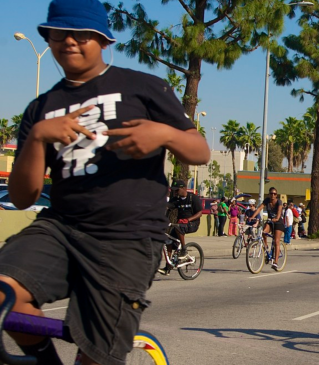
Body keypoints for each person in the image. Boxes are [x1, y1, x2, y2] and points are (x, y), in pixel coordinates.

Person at [0, 1, 211, 363]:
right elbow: (22, 198)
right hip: (60, 229)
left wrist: (162, 134)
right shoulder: (41, 108)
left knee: (96, 354)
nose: (69, 41)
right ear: (48, 39)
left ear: (103, 40)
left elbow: (200, 151)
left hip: (126, 237)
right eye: (59, 33)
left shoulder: (143, 86)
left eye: (82, 34)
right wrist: (37, 138)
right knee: (5, 294)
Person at [159, 180, 202, 275]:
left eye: (177, 190)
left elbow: (199, 213)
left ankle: (184, 250)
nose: (175, 192)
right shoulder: (176, 199)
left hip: (192, 224)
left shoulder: (193, 198)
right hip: (180, 224)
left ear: (184, 188)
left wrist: (188, 220)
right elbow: (167, 207)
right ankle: (168, 267)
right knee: (168, 240)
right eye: (174, 191)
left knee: (179, 227)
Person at [250, 187, 285, 270]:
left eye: (275, 194)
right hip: (270, 221)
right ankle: (265, 246)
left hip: (278, 222)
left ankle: (275, 262)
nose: (273, 195)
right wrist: (252, 217)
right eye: (271, 193)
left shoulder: (279, 201)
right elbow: (259, 208)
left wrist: (277, 218)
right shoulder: (267, 200)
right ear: (269, 194)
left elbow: (279, 211)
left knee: (276, 241)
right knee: (263, 232)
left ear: (276, 195)